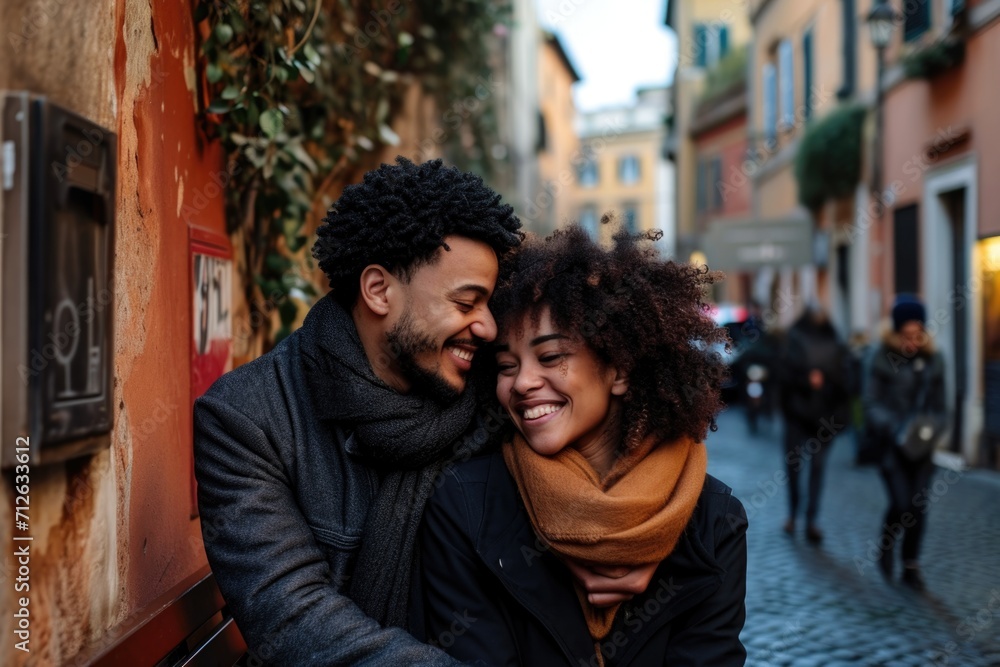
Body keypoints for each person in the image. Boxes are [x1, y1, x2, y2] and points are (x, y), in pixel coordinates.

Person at [192, 157, 524, 665]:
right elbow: (295, 619)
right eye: (466, 303)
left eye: (488, 305)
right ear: (378, 290)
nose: (488, 328)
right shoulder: (247, 419)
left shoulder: (497, 390)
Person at [412, 226, 748, 666]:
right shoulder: (464, 505)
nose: (523, 383)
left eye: (551, 357)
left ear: (620, 370)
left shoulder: (713, 521)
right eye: (506, 366)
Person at [864, 294, 946, 589]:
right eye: (906, 334)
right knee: (901, 504)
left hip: (922, 448)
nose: (912, 340)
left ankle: (910, 565)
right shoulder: (881, 357)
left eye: (917, 333)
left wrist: (931, 430)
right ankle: (887, 546)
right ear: (896, 332)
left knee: (918, 506)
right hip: (891, 446)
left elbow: (941, 407)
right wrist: (895, 429)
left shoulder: (934, 360)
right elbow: (871, 403)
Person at [777, 305, 852, 543]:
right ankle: (794, 514)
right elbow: (783, 377)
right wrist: (804, 380)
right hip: (797, 416)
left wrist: (825, 382)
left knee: (816, 469)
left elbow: (845, 384)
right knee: (795, 467)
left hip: (823, 418)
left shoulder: (835, 345)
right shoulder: (794, 342)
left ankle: (810, 519)